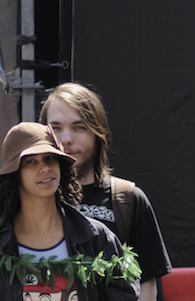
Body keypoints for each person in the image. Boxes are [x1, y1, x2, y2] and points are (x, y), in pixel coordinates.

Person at [40, 83, 171, 301]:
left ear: (97, 132)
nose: (66, 139)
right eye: (56, 128)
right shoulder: (30, 199)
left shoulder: (128, 200)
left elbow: (147, 287)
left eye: (78, 127)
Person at [0, 122, 140, 301]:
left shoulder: (96, 238)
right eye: (31, 161)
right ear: (15, 174)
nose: (45, 168)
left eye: (50, 158)